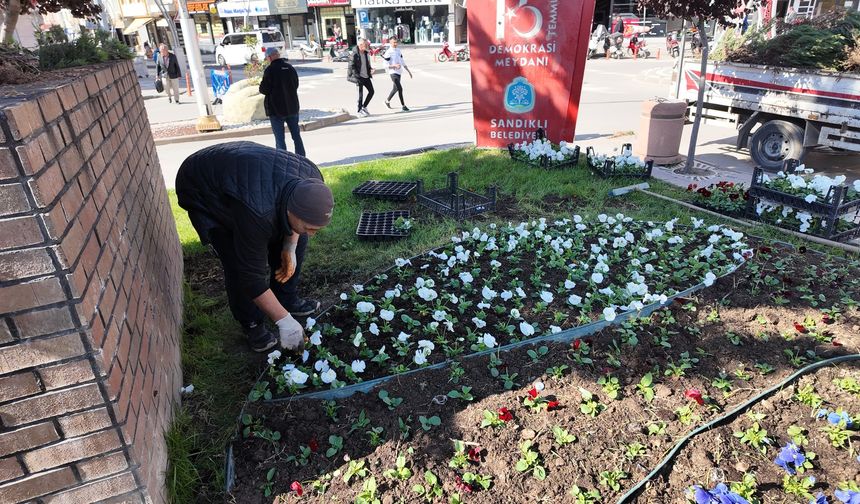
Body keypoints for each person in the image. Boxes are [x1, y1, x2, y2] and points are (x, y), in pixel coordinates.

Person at [175, 141, 334, 353]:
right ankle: (252, 323)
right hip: (203, 188)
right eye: (310, 226)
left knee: (299, 237)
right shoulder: (257, 213)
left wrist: (289, 247)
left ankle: (286, 298)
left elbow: (296, 223)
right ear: (291, 211)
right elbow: (250, 276)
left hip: (247, 174)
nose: (313, 233)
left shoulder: (312, 178)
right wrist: (284, 321)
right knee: (236, 259)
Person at [259, 48, 306, 156]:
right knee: (296, 136)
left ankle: (283, 161)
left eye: (267, 58)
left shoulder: (270, 70)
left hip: (276, 110)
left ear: (270, 57)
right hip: (292, 107)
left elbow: (263, 89)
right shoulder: (290, 68)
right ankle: (302, 158)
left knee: (280, 139)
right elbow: (296, 85)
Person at [382, 37, 412, 112]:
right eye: (393, 42)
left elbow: (402, 60)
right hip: (393, 73)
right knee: (400, 88)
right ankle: (403, 106)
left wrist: (408, 70)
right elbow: (385, 65)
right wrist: (394, 66)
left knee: (395, 88)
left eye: (396, 42)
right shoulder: (388, 52)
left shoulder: (398, 50)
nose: (395, 44)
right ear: (390, 43)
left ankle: (387, 101)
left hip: (399, 72)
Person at [351, 38, 374, 117]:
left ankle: (364, 107)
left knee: (371, 92)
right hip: (359, 77)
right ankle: (359, 110)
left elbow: (367, 64)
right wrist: (357, 76)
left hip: (366, 76)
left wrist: (370, 69)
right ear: (360, 45)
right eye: (365, 45)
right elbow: (352, 66)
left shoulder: (365, 53)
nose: (367, 46)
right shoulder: (354, 54)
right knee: (360, 95)